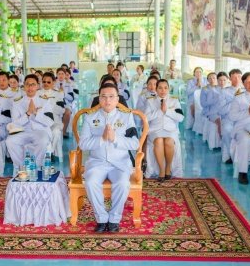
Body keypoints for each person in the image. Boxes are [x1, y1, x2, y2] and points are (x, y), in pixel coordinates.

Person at [79, 83, 139, 233]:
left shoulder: (126, 116)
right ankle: (101, 218)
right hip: (97, 163)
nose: (107, 100)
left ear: (117, 99)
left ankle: (114, 219)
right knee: (91, 181)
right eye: (104, 97)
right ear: (99, 99)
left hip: (119, 163)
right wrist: (101, 138)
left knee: (122, 183)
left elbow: (134, 143)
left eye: (111, 97)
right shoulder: (90, 117)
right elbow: (83, 144)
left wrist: (115, 138)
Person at [6, 74, 55, 174]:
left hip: (40, 130)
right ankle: (22, 167)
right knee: (10, 141)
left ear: (37, 86)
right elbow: (15, 123)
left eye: (33, 84)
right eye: (27, 84)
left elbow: (50, 122)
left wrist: (36, 113)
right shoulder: (17, 102)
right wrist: (27, 114)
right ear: (23, 86)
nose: (30, 87)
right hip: (23, 131)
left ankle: (35, 168)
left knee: (42, 140)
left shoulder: (45, 101)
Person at [143, 79, 184, 180]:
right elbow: (145, 118)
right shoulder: (150, 101)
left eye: (165, 88)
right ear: (156, 89)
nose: (163, 90)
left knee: (169, 141)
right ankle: (161, 170)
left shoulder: (174, 100)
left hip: (170, 130)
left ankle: (168, 167)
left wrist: (167, 111)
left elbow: (181, 118)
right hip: (155, 130)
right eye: (160, 88)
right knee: (158, 141)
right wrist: (159, 111)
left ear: (169, 89)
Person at [220, 68, 243, 163]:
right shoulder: (224, 92)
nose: (237, 79)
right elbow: (221, 110)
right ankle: (232, 155)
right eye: (234, 77)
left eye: (239, 77)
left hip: (242, 119)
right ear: (230, 79)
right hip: (228, 118)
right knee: (226, 130)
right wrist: (234, 99)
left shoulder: (246, 91)